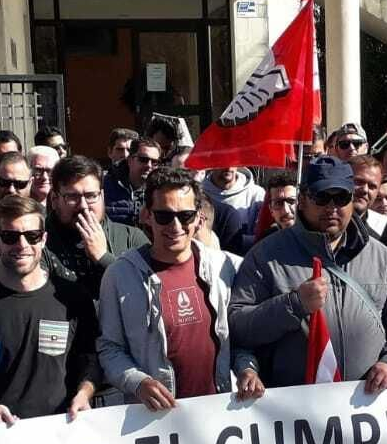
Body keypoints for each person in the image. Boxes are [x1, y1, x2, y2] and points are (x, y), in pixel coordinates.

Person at [230, 158, 387, 389]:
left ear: (352, 200)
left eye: (341, 198)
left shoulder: (381, 256)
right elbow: (238, 327)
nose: (332, 208)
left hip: (367, 407)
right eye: (321, 197)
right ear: (302, 201)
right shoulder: (264, 257)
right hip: (296, 411)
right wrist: (294, 304)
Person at [99, 168, 264, 408]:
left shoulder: (225, 267)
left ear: (199, 218)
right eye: (164, 216)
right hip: (155, 422)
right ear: (147, 215)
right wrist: (138, 382)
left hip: (218, 413)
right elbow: (109, 348)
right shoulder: (120, 275)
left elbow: (239, 337)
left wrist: (246, 369)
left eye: (185, 216)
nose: (175, 226)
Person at [0, 195, 100, 423]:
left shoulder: (72, 296)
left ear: (43, 239)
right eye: (11, 237)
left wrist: (84, 393)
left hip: (62, 431)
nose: (22, 245)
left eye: (31, 236)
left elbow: (90, 358)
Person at [43, 155, 149, 297]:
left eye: (91, 196)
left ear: (102, 196)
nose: (84, 206)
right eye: (72, 197)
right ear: (54, 199)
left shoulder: (131, 238)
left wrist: (103, 258)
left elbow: (148, 289)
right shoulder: (36, 241)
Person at [105, 137, 160, 226]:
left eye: (154, 162)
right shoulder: (105, 186)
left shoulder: (161, 191)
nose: (149, 165)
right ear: (130, 160)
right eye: (143, 159)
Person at [255, 170, 299, 242]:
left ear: (301, 203)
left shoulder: (316, 239)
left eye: (291, 201)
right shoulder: (266, 240)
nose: (286, 210)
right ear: (271, 210)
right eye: (278, 203)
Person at [350, 155, 387, 236]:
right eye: (359, 182)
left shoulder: (383, 234)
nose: (365, 190)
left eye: (372, 186)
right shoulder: (322, 224)